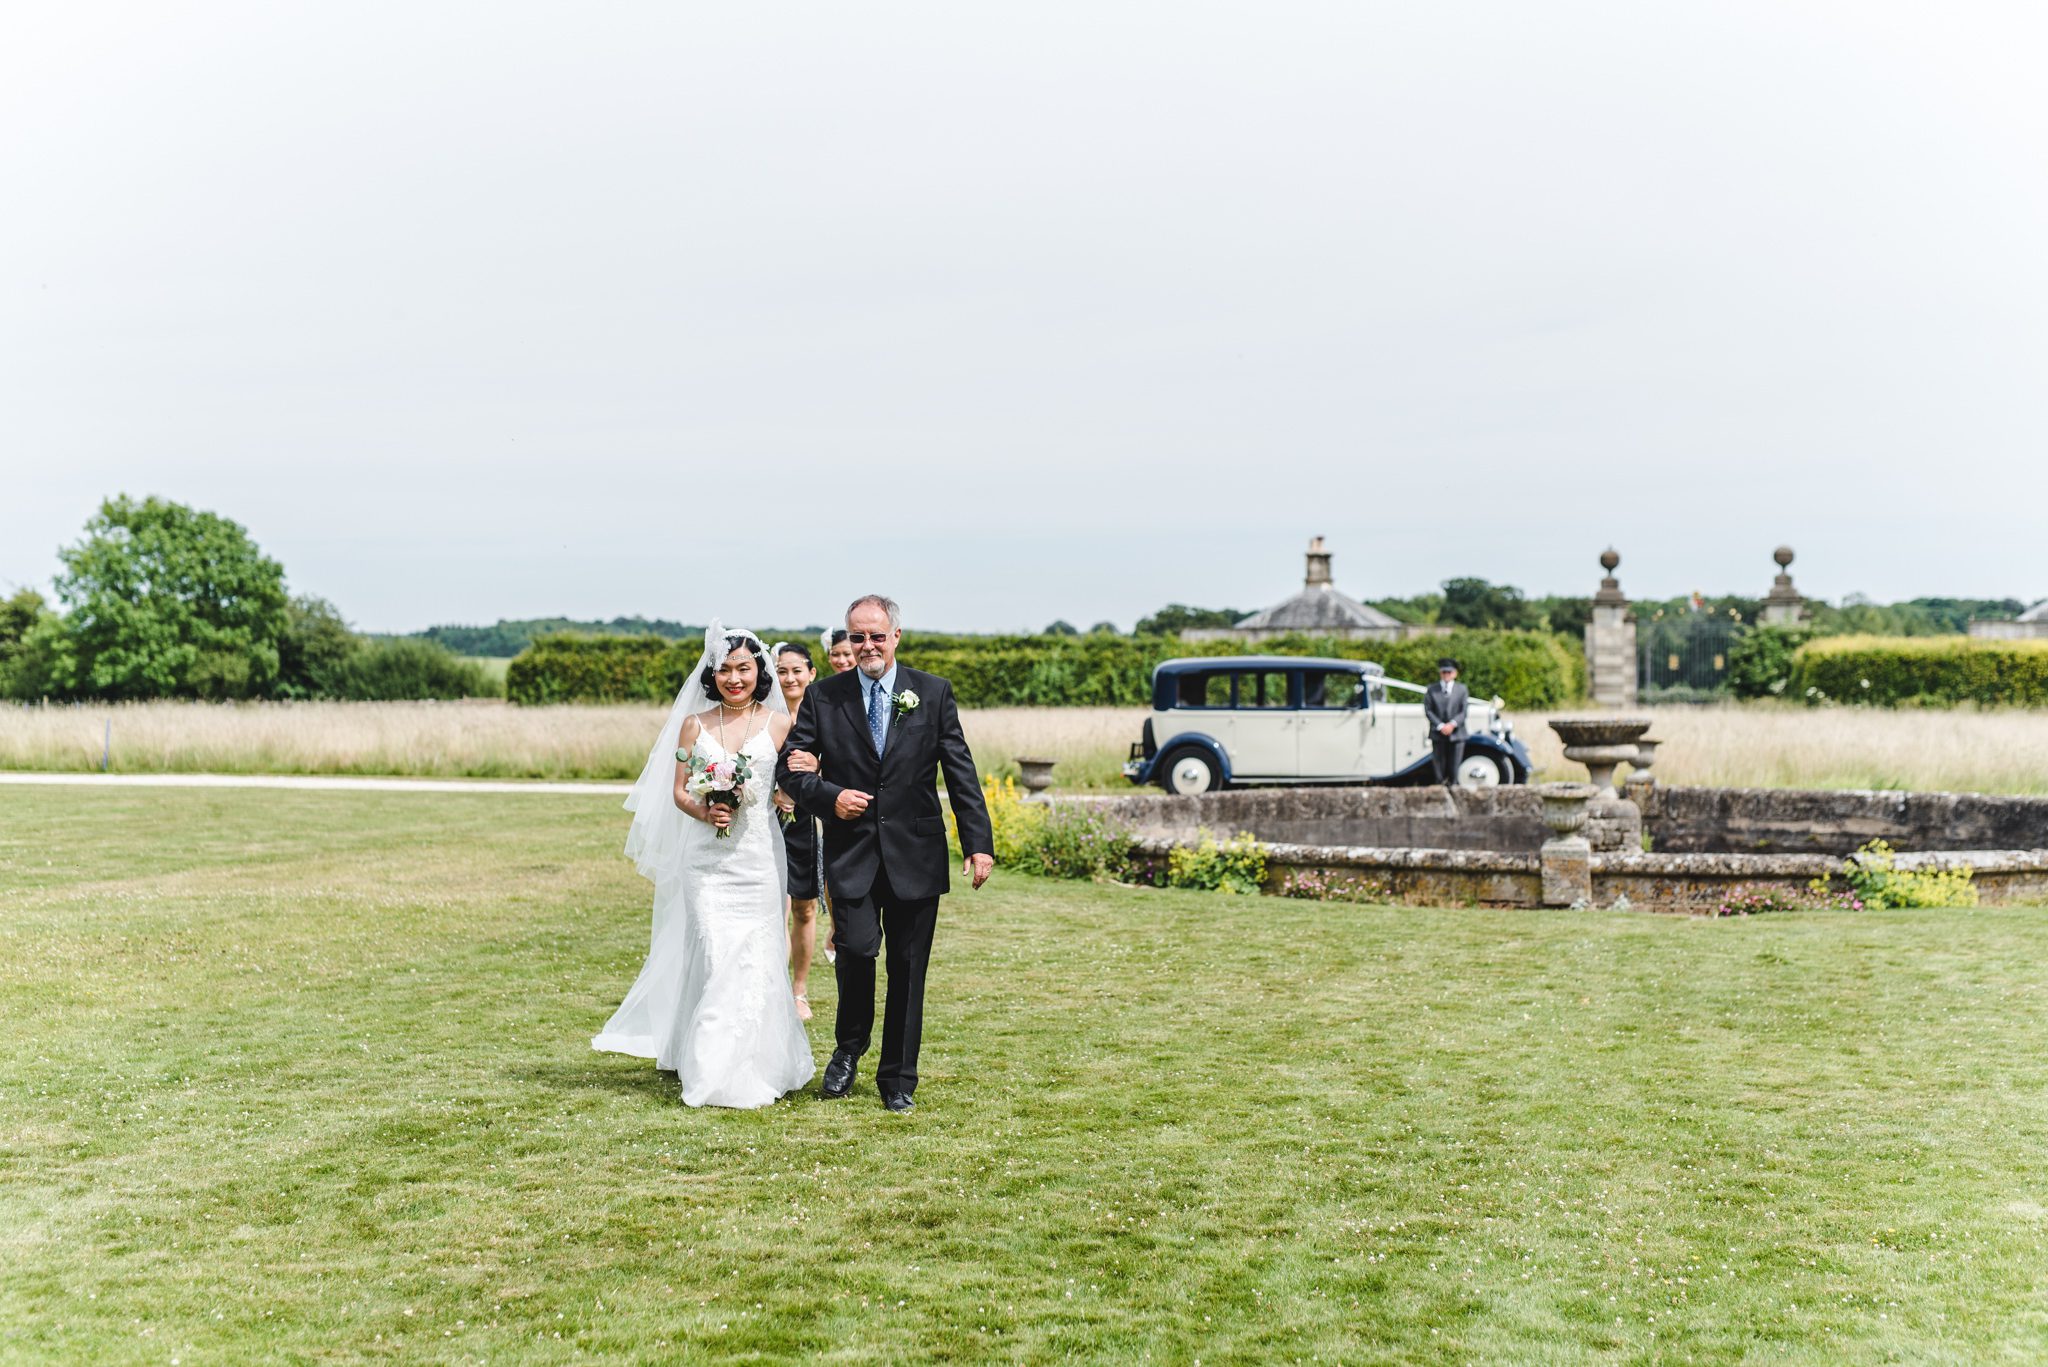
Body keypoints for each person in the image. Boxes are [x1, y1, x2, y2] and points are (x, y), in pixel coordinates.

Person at [778, 594, 995, 1113]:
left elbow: (959, 770)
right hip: (851, 853)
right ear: (847, 640)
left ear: (896, 636)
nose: (867, 645)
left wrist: (978, 843)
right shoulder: (824, 697)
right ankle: (849, 1047)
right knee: (855, 952)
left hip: (915, 853)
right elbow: (791, 771)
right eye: (857, 636)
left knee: (908, 965)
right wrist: (832, 798)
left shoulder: (933, 693)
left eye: (876, 635)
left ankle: (898, 1077)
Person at [591, 622, 814, 1109]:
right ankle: (712, 1064)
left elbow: (800, 775)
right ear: (712, 674)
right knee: (715, 952)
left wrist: (793, 789)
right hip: (705, 862)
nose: (735, 678)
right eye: (725, 669)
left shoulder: (780, 724)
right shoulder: (694, 724)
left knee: (756, 954)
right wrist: (704, 808)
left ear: (760, 671)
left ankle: (760, 1061)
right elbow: (677, 792)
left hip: (758, 857)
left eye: (744, 668)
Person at [771, 642, 824, 1018]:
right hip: (764, 819)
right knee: (772, 907)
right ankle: (769, 985)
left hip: (805, 820)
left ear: (811, 673)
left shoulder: (826, 714)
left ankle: (799, 991)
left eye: (796, 670)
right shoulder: (763, 716)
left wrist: (818, 769)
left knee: (804, 907)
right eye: (782, 671)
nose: (789, 678)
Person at [1425, 656, 1469, 788]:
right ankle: (1440, 791)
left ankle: (1454, 790)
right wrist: (1440, 726)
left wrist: (1452, 724)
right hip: (1438, 734)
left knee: (1454, 767)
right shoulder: (1432, 689)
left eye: (1449, 672)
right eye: (1444, 672)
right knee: (1439, 767)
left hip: (1457, 734)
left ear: (1455, 673)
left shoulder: (1462, 689)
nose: (1446, 675)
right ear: (1440, 673)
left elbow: (1464, 711)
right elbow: (1428, 710)